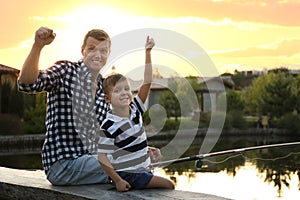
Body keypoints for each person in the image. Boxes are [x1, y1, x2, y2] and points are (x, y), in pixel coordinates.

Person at [18, 26, 161, 185]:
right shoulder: (66, 71)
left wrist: (137, 149)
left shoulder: (104, 89)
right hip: (62, 164)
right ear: (83, 51)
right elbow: (27, 83)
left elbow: (107, 136)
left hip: (89, 161)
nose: (97, 55)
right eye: (92, 49)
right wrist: (38, 46)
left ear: (108, 54)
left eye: (103, 51)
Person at [98, 36, 175, 192]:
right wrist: (118, 181)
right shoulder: (109, 124)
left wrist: (148, 51)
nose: (124, 93)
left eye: (126, 89)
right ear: (107, 99)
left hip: (142, 170)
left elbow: (147, 82)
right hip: (129, 174)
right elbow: (102, 157)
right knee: (169, 186)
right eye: (117, 91)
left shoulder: (135, 109)